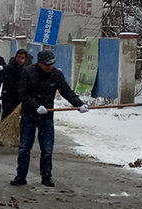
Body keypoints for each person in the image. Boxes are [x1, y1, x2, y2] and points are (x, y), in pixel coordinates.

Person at [11, 50, 89, 187]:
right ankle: (21, 176)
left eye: (52, 64)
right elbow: (23, 93)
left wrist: (79, 104)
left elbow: (66, 91)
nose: (49, 67)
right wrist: (36, 106)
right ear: (39, 63)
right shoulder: (28, 72)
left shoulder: (56, 74)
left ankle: (46, 176)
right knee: (25, 148)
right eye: (47, 64)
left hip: (46, 118)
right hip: (29, 116)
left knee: (47, 149)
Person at [0, 48, 28, 120]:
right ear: (16, 56)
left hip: (20, 97)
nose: (20, 59)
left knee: (17, 117)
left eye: (22, 58)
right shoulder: (10, 68)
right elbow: (9, 83)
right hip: (9, 96)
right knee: (7, 115)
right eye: (18, 57)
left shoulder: (26, 69)